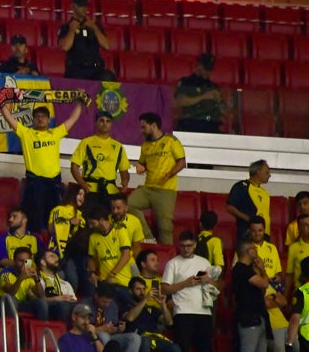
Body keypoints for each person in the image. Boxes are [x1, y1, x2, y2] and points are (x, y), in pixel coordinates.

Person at [0, 96, 85, 234]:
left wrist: (80, 101)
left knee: (55, 218)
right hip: (35, 182)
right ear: (33, 120)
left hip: (54, 182)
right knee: (34, 220)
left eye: (43, 116)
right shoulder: (26, 133)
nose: (40, 119)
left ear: (48, 119)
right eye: (37, 116)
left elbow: (73, 119)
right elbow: (8, 117)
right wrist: (1, 99)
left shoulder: (55, 133)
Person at [127, 112, 186, 246]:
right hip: (148, 188)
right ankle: (148, 238)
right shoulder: (145, 145)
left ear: (153, 126)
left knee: (164, 228)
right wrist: (141, 167)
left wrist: (170, 174)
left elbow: (182, 162)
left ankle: (167, 257)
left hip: (165, 190)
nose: (141, 131)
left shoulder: (171, 141)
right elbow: (143, 164)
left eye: (143, 127)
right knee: (128, 204)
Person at [162, 230, 219, 352]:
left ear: (194, 245)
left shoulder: (204, 262)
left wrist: (208, 280)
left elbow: (215, 286)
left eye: (189, 245)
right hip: (183, 311)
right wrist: (185, 283)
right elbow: (164, 289)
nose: (186, 249)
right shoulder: (173, 263)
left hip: (203, 311)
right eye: (183, 246)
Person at [245, 215, 289, 352]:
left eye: (260, 230)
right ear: (249, 232)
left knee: (290, 348)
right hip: (255, 294)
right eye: (254, 231)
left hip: (273, 295)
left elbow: (279, 273)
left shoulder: (272, 248)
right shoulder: (245, 249)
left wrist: (277, 277)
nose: (257, 234)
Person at [69, 111, 130, 197]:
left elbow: (124, 170)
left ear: (111, 124)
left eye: (108, 121)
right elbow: (74, 166)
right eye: (101, 120)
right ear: (96, 123)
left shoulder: (118, 146)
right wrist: (82, 183)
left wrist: (125, 182)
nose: (105, 123)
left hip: (111, 191)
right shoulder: (86, 143)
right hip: (90, 189)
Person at [123, 275, 181, 352]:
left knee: (175, 348)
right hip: (139, 339)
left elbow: (169, 322)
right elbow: (130, 318)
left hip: (154, 339)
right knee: (145, 341)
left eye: (143, 289)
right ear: (131, 291)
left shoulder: (151, 309)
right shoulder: (126, 305)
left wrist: (163, 305)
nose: (142, 292)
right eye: (138, 289)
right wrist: (146, 299)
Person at [57, 0, 113, 81]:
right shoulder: (66, 27)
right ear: (73, 7)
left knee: (108, 77)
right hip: (76, 69)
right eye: (80, 6)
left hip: (95, 69)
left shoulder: (94, 26)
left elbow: (107, 45)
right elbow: (65, 47)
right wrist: (72, 30)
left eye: (85, 5)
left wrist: (95, 28)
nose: (84, 9)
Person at [56, 304, 123, 352]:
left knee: (113, 345)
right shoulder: (66, 338)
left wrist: (95, 337)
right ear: (74, 317)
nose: (86, 322)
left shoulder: (92, 336)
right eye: (83, 318)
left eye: (88, 318)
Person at [81, 282, 143, 352]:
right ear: (96, 296)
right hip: (91, 339)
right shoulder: (84, 306)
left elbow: (114, 324)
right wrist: (100, 329)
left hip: (110, 337)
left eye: (108, 302)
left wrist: (119, 329)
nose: (107, 305)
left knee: (135, 338)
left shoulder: (112, 305)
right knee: (104, 335)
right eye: (103, 301)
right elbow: (80, 331)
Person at [173, 53, 226, 134]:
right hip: (190, 124)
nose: (207, 72)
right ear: (198, 65)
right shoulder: (187, 82)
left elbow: (224, 112)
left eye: (210, 69)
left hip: (210, 126)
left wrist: (219, 101)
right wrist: (203, 97)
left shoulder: (213, 86)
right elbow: (179, 102)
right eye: (205, 68)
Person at [226, 159, 271, 242]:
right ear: (258, 171)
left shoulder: (264, 192)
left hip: (264, 235)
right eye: (267, 172)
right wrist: (248, 218)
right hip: (248, 234)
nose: (269, 175)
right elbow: (230, 207)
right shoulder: (242, 187)